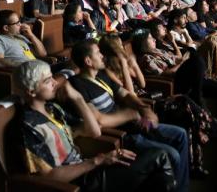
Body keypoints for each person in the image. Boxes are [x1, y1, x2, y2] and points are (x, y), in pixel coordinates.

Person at [11, 60, 176, 192]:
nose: (55, 82)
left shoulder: (53, 109)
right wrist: (98, 160)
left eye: (52, 77)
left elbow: (94, 131)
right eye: (48, 81)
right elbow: (48, 177)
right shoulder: (28, 125)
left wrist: (77, 98)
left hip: (88, 168)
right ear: (31, 91)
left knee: (151, 171)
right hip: (77, 182)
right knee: (159, 157)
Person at [69, 40, 190, 192]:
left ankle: (182, 187)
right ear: (88, 61)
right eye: (98, 53)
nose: (102, 56)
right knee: (172, 155)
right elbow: (99, 120)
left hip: (135, 124)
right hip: (121, 136)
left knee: (181, 134)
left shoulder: (101, 75)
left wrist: (143, 108)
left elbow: (126, 95)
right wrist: (129, 114)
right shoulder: (77, 85)